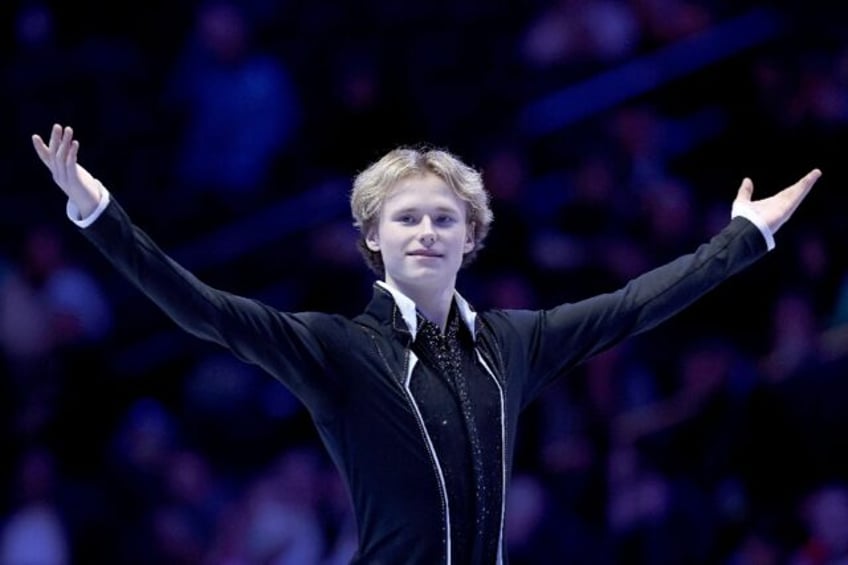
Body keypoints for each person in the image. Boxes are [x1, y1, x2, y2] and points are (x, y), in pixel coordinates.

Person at [31, 123, 820, 564]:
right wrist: (101, 217)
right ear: (371, 236)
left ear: (471, 236)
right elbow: (206, 311)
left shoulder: (513, 343)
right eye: (405, 216)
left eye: (444, 217)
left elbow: (629, 307)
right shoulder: (336, 350)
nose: (426, 231)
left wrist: (741, 237)